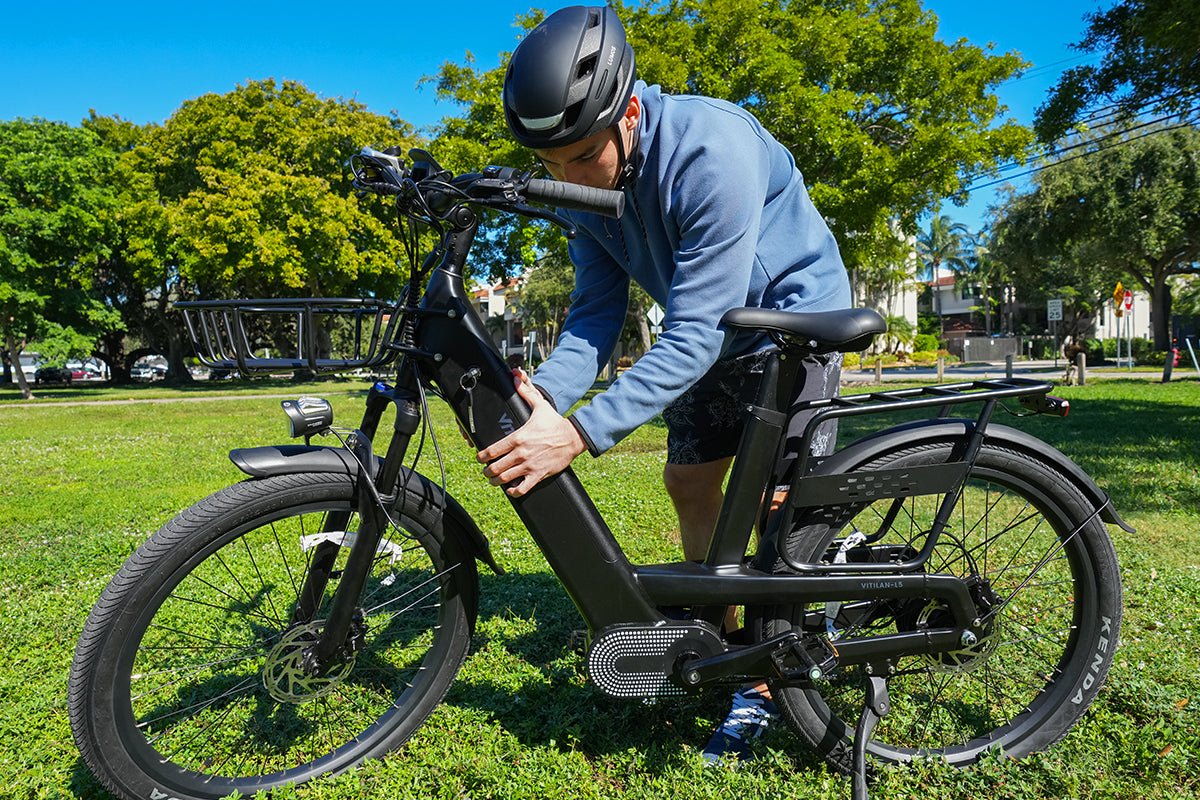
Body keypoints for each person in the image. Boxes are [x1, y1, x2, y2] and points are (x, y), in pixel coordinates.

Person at [477, 5, 852, 764]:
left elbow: (695, 331)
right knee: (689, 481)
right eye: (550, 164)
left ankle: (767, 680)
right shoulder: (586, 182)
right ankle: (722, 623)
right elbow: (594, 314)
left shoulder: (713, 149)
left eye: (582, 157)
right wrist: (544, 396)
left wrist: (578, 433)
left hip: (793, 326)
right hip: (714, 334)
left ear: (629, 115)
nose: (568, 179)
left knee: (776, 514)